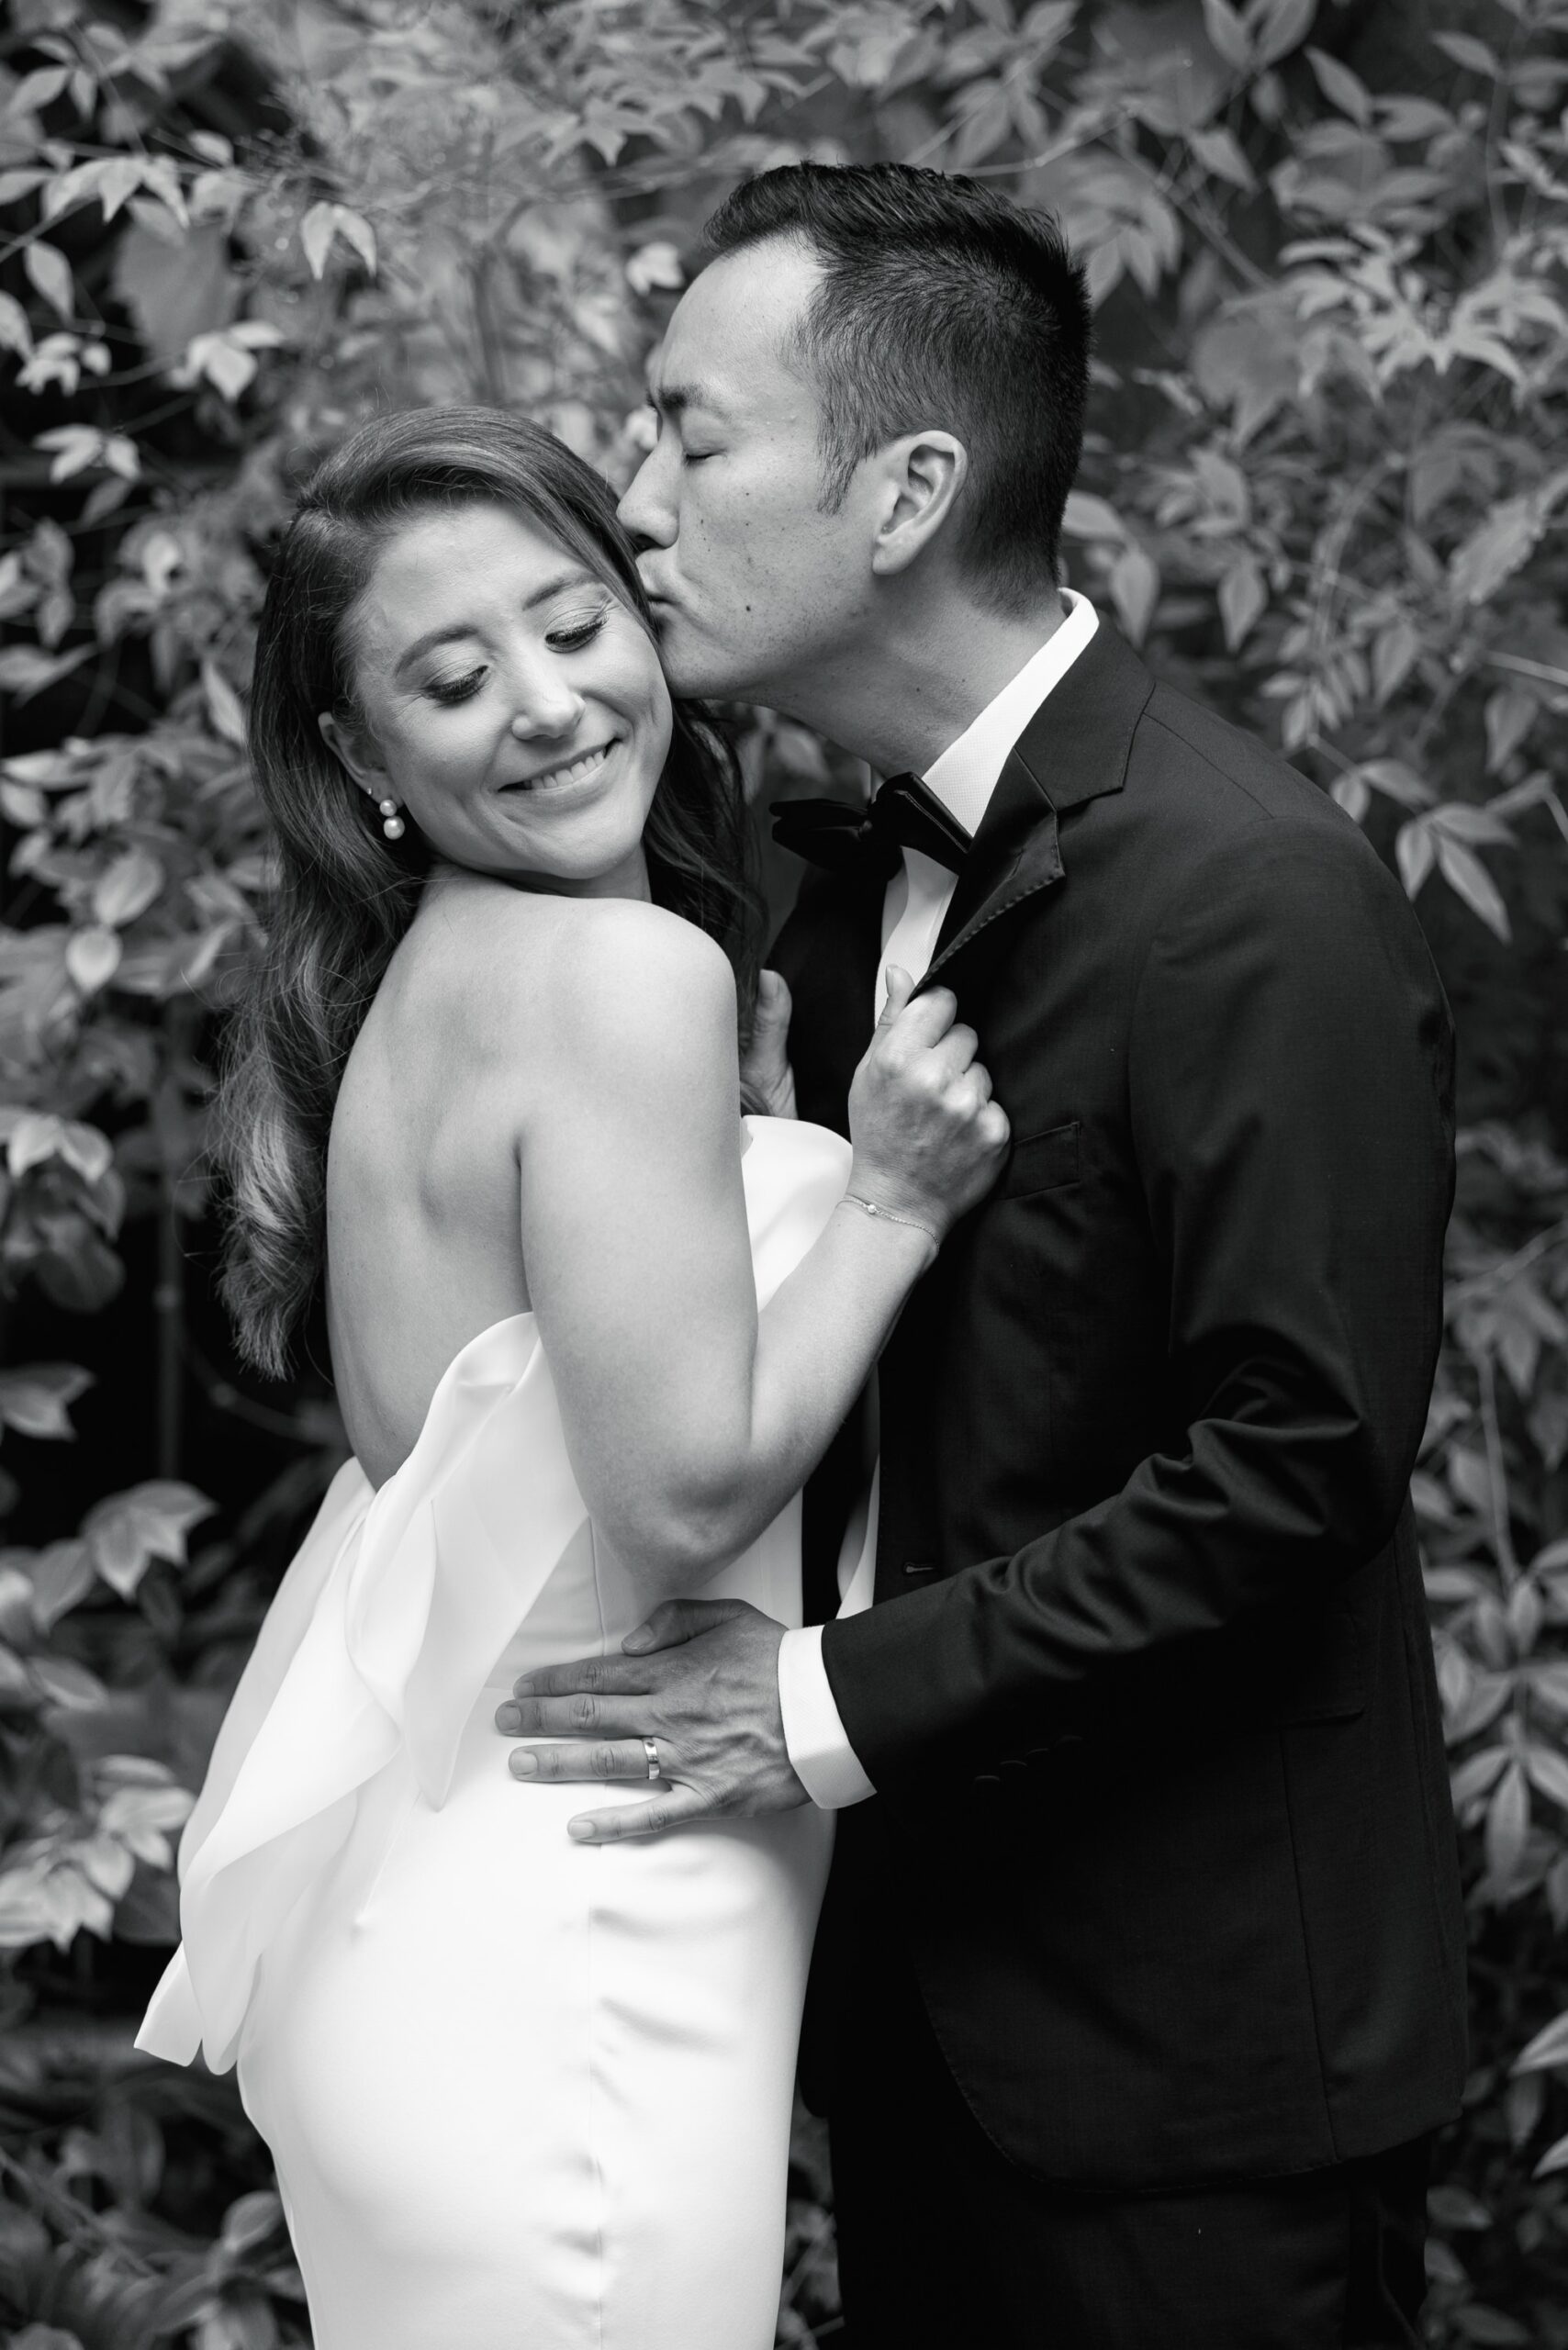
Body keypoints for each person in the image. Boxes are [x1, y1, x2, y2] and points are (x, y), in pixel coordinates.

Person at [500, 162, 1469, 2348]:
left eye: (691, 431)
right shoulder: (809, 880)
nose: (631, 499)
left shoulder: (1253, 894)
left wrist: (812, 1706)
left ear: (907, 486)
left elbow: (1290, 1467)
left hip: (1194, 2072)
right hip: (902, 2020)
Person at [134, 405, 1008, 2350]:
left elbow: (476, 1457)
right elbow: (677, 1493)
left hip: (435, 1921)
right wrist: (874, 1202)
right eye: (453, 678)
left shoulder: (420, 998)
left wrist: (748, 1154)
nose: (543, 702)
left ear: (642, 613)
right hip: (580, 1928)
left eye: (572, 621)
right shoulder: (620, 981)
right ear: (360, 756)